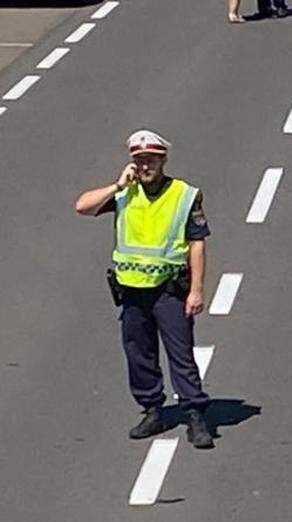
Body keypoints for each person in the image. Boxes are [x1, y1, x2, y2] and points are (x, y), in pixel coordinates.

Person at [74, 130, 215, 449]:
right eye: (139, 160)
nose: (144, 165)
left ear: (162, 159)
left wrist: (196, 290)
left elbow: (197, 244)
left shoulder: (184, 194)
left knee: (181, 355)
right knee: (139, 355)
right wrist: (117, 185)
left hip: (169, 291)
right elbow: (82, 206)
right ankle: (153, 410)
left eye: (150, 159)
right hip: (132, 292)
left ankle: (194, 414)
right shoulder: (125, 193)